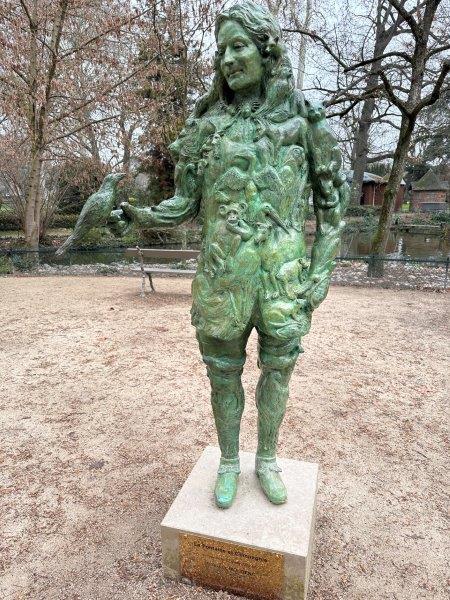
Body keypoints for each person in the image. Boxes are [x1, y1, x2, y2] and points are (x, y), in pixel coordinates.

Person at [115, 1, 349, 508]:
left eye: (238, 46)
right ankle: (227, 460)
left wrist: (320, 274)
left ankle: (266, 458)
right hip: (222, 277)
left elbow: (333, 210)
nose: (226, 59)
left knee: (279, 368)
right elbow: (183, 203)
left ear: (267, 52)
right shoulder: (207, 126)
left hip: (283, 278)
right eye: (221, 49)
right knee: (222, 371)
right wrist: (139, 214)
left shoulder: (304, 122)